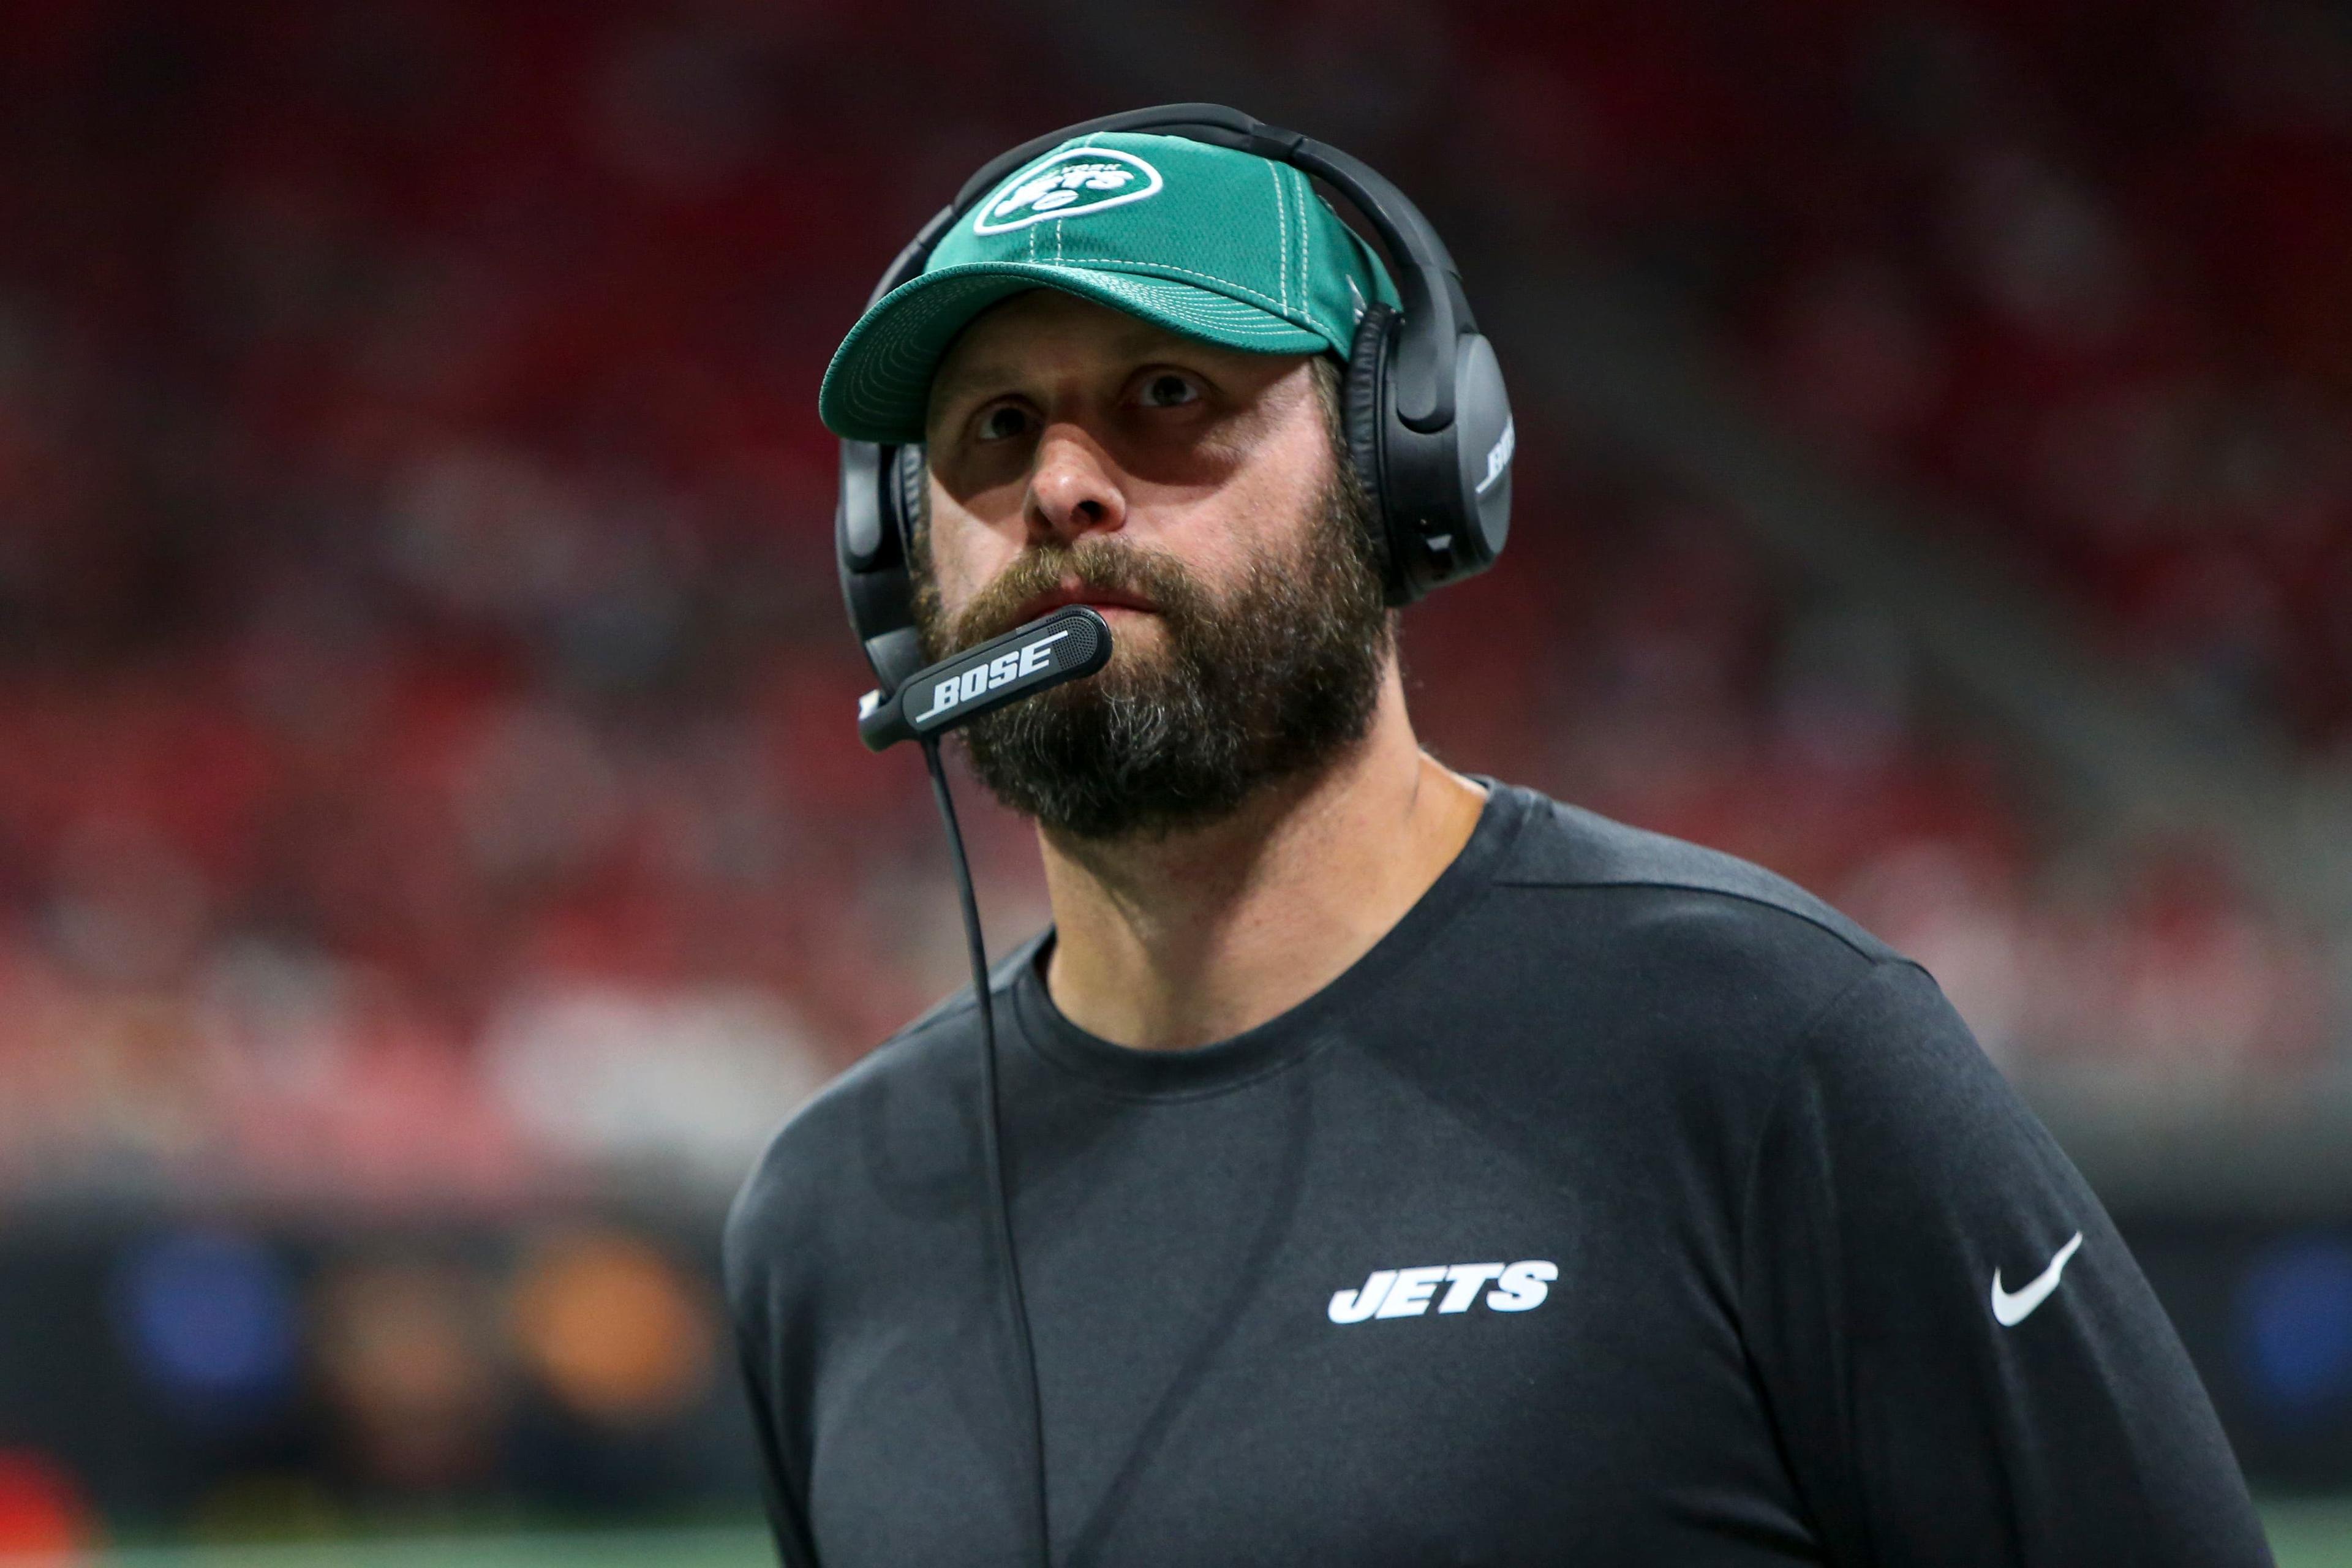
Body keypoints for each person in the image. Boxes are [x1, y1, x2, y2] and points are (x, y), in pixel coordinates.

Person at [723, 126, 2271, 1566]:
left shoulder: (1767, 1050)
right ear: (895, 556)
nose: (1061, 480)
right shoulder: (833, 1215)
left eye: (1170, 394)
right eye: (994, 426)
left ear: (1406, 460)